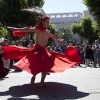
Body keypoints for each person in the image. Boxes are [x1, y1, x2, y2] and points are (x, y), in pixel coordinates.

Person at [0, 7, 81, 86]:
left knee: (45, 66)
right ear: (42, 22)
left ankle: (42, 82)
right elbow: (27, 29)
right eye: (47, 22)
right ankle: (34, 76)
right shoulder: (38, 29)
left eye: (48, 22)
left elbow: (52, 36)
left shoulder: (47, 31)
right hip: (36, 50)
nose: (48, 23)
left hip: (44, 51)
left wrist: (58, 40)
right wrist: (15, 28)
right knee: (36, 65)